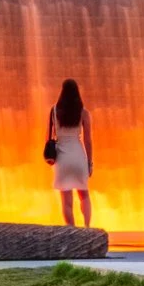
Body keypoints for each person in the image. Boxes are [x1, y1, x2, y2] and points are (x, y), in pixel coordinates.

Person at [47, 78, 93, 228]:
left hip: (62, 158)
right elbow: (88, 140)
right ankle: (87, 228)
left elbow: (48, 136)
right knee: (84, 195)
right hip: (78, 156)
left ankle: (72, 231)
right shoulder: (83, 113)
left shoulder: (54, 111)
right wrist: (89, 163)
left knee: (66, 201)